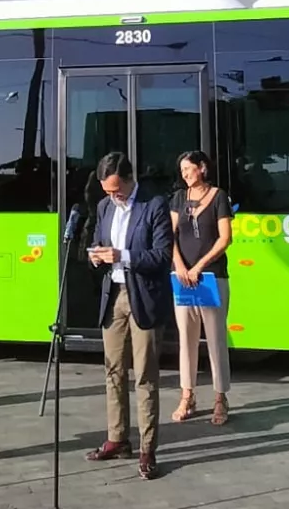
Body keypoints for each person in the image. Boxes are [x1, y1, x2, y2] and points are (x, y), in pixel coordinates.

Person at [85, 151, 173, 480]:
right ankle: (117, 438)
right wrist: (96, 254)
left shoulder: (154, 205)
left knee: (145, 376)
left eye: (116, 189)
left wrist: (122, 255)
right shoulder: (104, 207)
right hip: (114, 297)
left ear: (129, 179)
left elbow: (163, 255)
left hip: (143, 297)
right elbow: (97, 240)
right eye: (107, 191)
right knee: (113, 371)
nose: (112, 196)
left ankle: (148, 448)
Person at [170, 150, 234, 427]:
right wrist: (181, 267)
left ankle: (220, 398)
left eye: (189, 168)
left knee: (216, 339)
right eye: (181, 170)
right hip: (182, 279)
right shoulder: (177, 199)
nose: (185, 174)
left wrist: (199, 267)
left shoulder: (219, 197)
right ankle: (188, 396)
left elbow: (225, 239)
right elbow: (168, 236)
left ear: (203, 168)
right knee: (186, 338)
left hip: (211, 278)